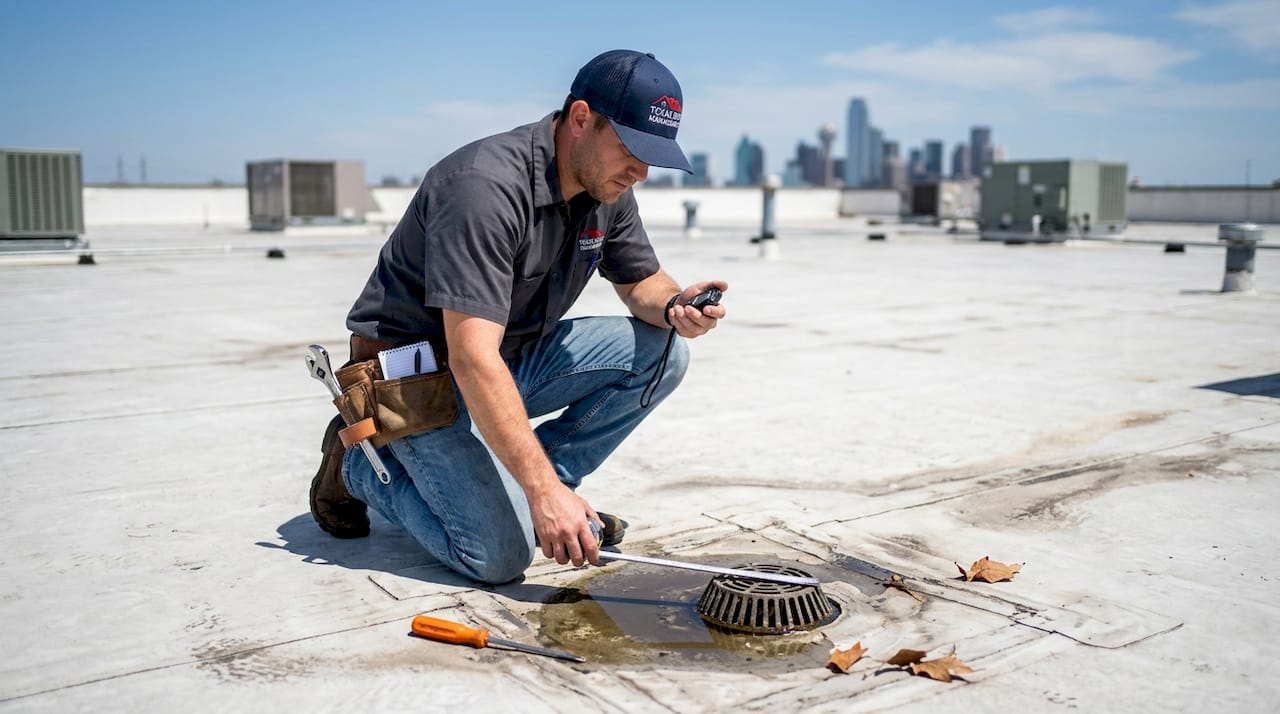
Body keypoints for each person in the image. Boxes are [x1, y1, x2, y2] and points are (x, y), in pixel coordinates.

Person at [309, 49, 727, 585]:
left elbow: (641, 280)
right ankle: (361, 466)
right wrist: (543, 494)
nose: (642, 172)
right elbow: (471, 357)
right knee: (500, 557)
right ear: (580, 119)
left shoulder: (606, 187)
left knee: (664, 351)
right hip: (415, 383)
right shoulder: (482, 188)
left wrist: (675, 306)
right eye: (631, 149)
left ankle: (540, 497)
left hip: (507, 362)